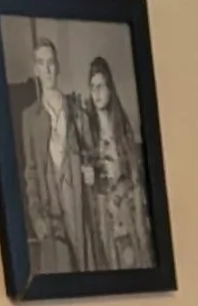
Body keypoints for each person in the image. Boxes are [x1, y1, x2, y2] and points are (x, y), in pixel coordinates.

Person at [20, 37, 97, 274]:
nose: (48, 69)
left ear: (58, 66)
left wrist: (91, 171)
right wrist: (36, 218)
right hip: (51, 212)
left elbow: (92, 154)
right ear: (36, 70)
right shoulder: (30, 117)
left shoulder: (76, 111)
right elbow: (30, 172)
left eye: (51, 62)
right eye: (42, 63)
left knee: (87, 269)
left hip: (78, 207)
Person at [83, 56, 154, 270]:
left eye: (101, 86)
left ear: (110, 89)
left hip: (126, 208)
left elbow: (134, 174)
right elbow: (89, 177)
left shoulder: (122, 128)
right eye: (93, 87)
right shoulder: (88, 130)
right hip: (105, 213)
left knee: (134, 260)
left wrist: (121, 192)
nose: (97, 92)